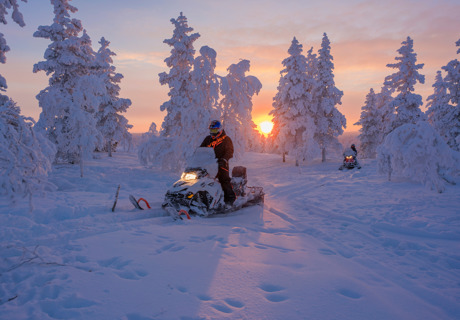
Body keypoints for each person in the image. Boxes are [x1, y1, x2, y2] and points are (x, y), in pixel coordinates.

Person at [200, 120, 236, 206]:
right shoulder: (207, 139)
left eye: (214, 130)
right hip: (208, 165)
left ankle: (230, 200)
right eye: (211, 130)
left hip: (221, 165)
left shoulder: (226, 139)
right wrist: (198, 157)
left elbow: (229, 152)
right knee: (197, 180)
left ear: (220, 130)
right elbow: (201, 149)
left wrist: (224, 159)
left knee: (224, 180)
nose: (212, 132)